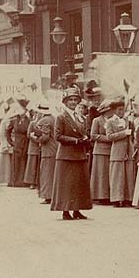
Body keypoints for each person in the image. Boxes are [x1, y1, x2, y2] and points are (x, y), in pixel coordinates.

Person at [51, 86, 92, 220]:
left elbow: (85, 132)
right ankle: (65, 210)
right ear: (65, 102)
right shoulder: (61, 117)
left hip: (79, 154)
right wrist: (75, 141)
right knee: (67, 184)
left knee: (79, 183)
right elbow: (58, 136)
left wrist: (86, 140)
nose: (73, 102)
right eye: (70, 100)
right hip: (66, 155)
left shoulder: (81, 118)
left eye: (75, 100)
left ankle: (77, 209)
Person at [106, 99, 135, 207]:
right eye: (118, 110)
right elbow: (109, 136)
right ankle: (116, 199)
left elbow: (132, 135)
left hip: (128, 150)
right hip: (117, 151)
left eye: (122, 110)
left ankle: (128, 198)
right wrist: (124, 133)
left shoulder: (128, 121)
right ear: (114, 110)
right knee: (117, 176)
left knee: (128, 176)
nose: (120, 112)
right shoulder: (110, 121)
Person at [90, 99, 113, 204]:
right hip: (100, 150)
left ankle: (108, 195)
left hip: (111, 150)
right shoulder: (97, 120)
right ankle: (100, 195)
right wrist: (108, 138)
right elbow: (93, 135)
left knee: (108, 173)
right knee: (101, 174)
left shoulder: (113, 120)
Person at [35, 102, 57, 205]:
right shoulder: (53, 118)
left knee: (46, 173)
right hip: (55, 149)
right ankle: (52, 194)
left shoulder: (44, 120)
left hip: (48, 150)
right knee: (52, 173)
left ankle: (48, 195)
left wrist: (35, 138)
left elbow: (45, 137)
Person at [6, 97, 30, 188]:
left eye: (22, 109)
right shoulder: (14, 120)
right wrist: (10, 142)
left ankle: (22, 181)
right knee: (15, 162)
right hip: (17, 143)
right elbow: (7, 131)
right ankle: (13, 181)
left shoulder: (29, 120)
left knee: (24, 161)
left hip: (26, 142)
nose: (20, 111)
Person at [24, 107, 44, 189]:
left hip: (40, 146)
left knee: (38, 165)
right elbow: (28, 134)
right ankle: (31, 182)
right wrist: (36, 140)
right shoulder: (32, 123)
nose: (39, 115)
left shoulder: (43, 123)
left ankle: (37, 182)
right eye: (37, 113)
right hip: (33, 147)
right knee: (32, 165)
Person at [0, 107, 13, 184]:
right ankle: (3, 179)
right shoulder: (4, 121)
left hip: (10, 144)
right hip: (5, 144)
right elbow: (2, 134)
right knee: (4, 163)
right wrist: (4, 144)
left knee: (7, 163)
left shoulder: (10, 120)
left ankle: (7, 179)